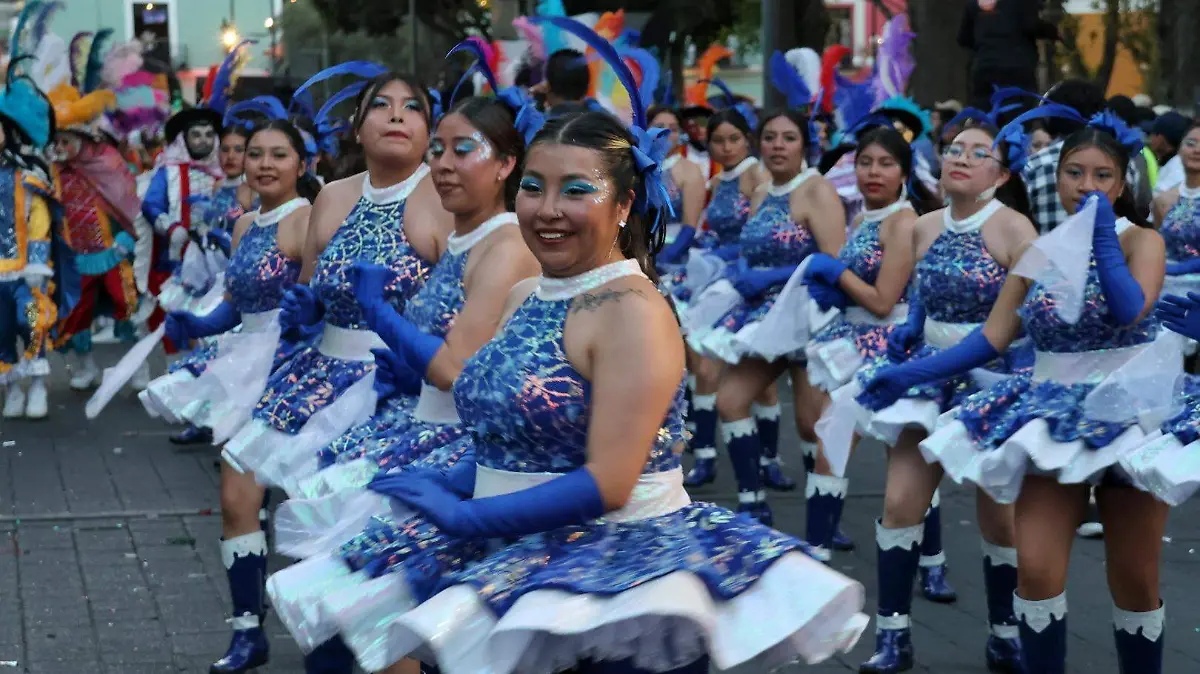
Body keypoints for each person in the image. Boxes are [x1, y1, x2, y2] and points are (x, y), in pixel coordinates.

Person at [320, 44, 869, 667]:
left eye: (574, 190)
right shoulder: (529, 291)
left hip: (604, 572)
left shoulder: (632, 309)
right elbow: (515, 432)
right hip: (513, 542)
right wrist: (450, 483)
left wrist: (468, 517)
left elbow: (609, 482)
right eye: (533, 187)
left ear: (625, 204)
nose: (547, 210)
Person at [865, 114, 1169, 674]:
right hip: (1049, 415)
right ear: (1057, 180)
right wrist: (910, 374)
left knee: (1134, 578)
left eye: (1103, 176)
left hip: (1126, 415)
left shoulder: (1142, 241)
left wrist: (1101, 233)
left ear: (1122, 185)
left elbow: (1130, 310)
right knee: (1036, 571)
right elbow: (993, 337)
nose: (1087, 186)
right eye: (1075, 173)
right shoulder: (1038, 250)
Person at [265, 90, 540, 668]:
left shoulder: (508, 244)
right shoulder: (464, 237)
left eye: (463, 149)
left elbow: (454, 370)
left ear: (507, 164)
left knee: (373, 632)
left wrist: (380, 314)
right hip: (411, 431)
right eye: (437, 149)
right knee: (358, 631)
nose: (442, 163)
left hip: (459, 452)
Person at [215, 69, 452, 673]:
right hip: (320, 375)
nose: (397, 116)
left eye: (413, 107)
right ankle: (251, 630)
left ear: (431, 129)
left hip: (397, 398)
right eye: (382, 106)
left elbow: (472, 307)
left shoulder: (444, 198)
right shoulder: (333, 196)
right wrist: (307, 308)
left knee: (366, 570)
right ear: (358, 125)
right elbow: (309, 289)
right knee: (273, 511)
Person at [845, 120, 1037, 673]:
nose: (961, 158)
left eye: (979, 154)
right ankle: (894, 638)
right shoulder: (923, 226)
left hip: (989, 384)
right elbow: (923, 293)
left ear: (1000, 175)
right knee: (899, 504)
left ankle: (1004, 634)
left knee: (998, 520)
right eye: (955, 149)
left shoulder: (1014, 229)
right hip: (927, 378)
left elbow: (1017, 321)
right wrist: (912, 331)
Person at [800, 126, 945, 576]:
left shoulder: (904, 222)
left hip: (893, 350)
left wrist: (835, 277)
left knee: (904, 462)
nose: (873, 173)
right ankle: (815, 562)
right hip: (852, 343)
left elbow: (884, 300)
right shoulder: (866, 218)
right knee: (831, 445)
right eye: (865, 163)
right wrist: (835, 290)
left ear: (903, 171)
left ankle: (932, 561)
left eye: (885, 164)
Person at [691, 109, 847, 524]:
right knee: (730, 400)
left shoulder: (817, 190)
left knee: (812, 424)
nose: (778, 145)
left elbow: (835, 263)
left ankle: (824, 527)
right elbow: (749, 248)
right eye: (771, 137)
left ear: (805, 145)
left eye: (789, 138)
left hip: (810, 318)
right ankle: (752, 505)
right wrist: (741, 271)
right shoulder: (760, 192)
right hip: (763, 318)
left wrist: (776, 276)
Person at [47, 57, 143, 390]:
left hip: (113, 251)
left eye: (65, 141)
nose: (60, 148)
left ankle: (137, 369)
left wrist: (127, 240)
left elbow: (129, 205)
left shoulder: (108, 163)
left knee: (128, 308)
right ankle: (86, 368)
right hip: (74, 258)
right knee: (76, 316)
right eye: (55, 142)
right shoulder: (51, 173)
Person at [0, 58, 58, 420]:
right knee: (1, 332)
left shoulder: (25, 179)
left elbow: (40, 219)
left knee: (35, 321)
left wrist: (37, 263)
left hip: (27, 276)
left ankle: (38, 385)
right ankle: (12, 390)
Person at [958, 0, 1058, 110]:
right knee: (1018, 111)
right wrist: (1053, 32)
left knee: (984, 111)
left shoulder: (974, 4)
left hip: (984, 66)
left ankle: (984, 126)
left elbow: (963, 38)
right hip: (1016, 67)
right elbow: (1031, 25)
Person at [1149, 110, 1192, 197]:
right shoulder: (1175, 163)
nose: (1151, 138)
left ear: (1161, 139)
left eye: (1153, 134)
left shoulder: (1176, 169)